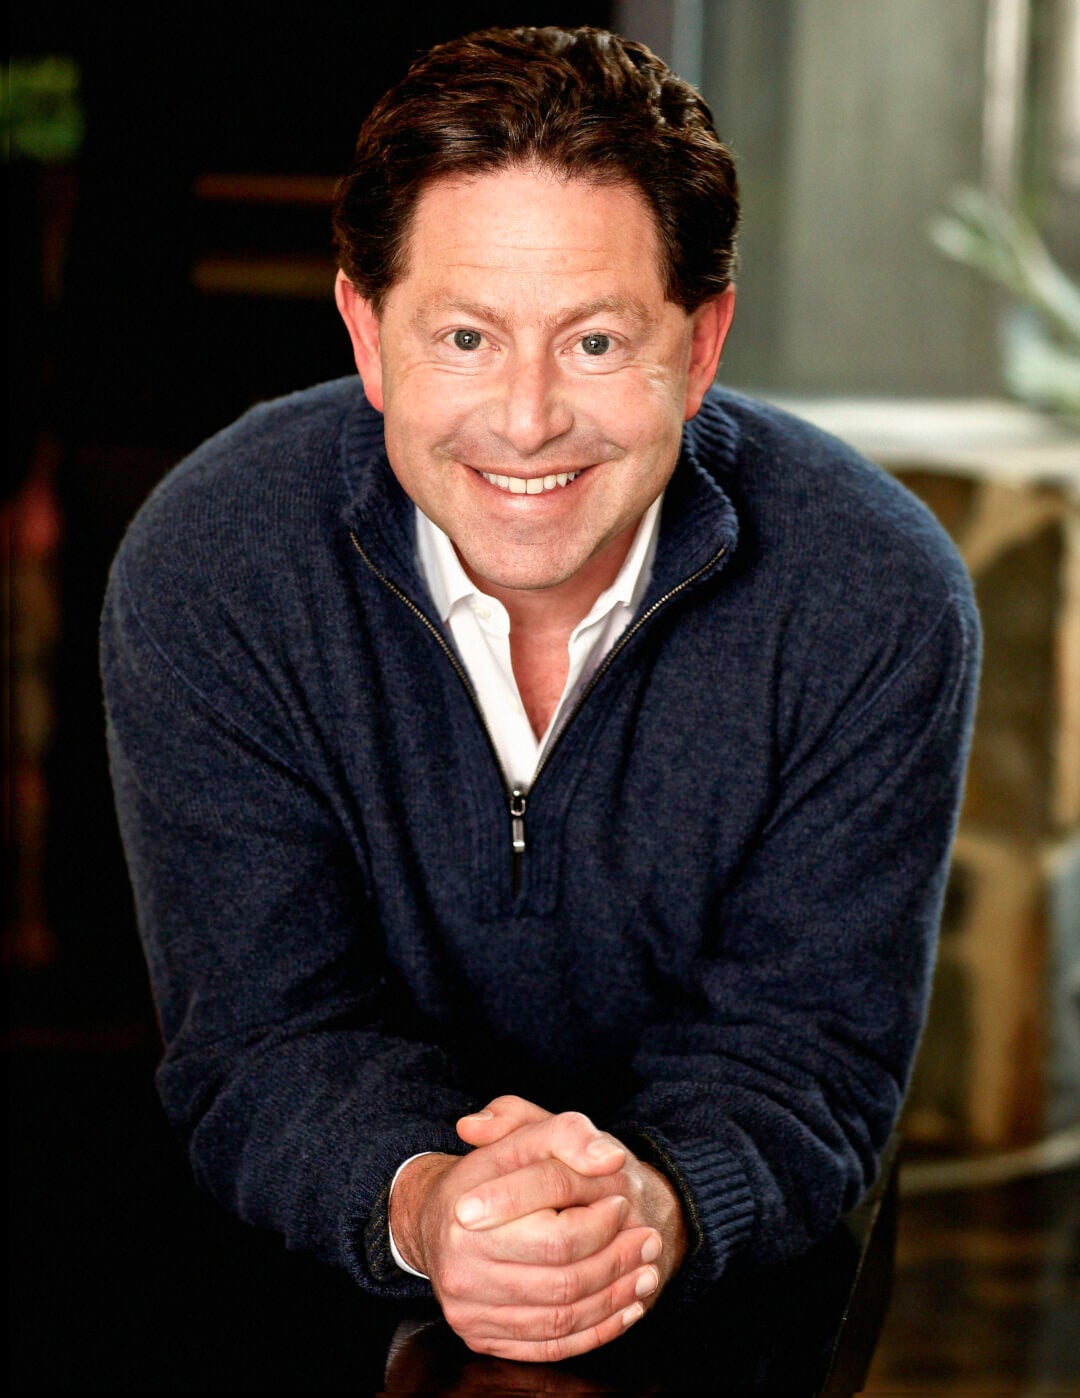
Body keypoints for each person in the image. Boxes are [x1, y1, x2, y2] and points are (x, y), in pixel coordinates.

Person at [101, 25, 980, 1365]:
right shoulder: (215, 561)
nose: (523, 420)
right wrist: (431, 1199)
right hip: (326, 1237)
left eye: (594, 342)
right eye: (463, 335)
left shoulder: (876, 594)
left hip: (739, 1256)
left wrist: (645, 1204)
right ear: (368, 334)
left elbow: (806, 1055)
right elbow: (264, 1034)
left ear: (698, 346)